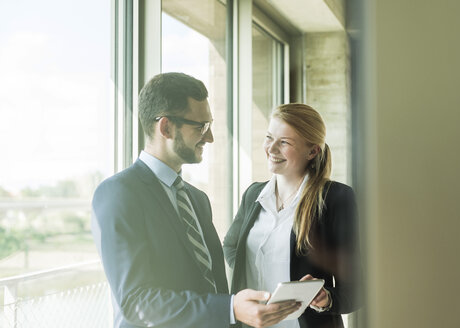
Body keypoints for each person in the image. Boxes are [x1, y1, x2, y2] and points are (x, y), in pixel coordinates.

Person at [91, 72, 301, 328]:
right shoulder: (118, 193)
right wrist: (230, 308)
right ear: (166, 127)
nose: (210, 137)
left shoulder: (197, 199)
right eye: (200, 126)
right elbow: (137, 301)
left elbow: (211, 284)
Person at [223, 103, 362, 328]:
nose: (271, 148)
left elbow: (356, 289)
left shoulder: (336, 198)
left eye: (284, 142)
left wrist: (325, 298)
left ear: (312, 151)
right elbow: (231, 247)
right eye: (269, 137)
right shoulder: (253, 195)